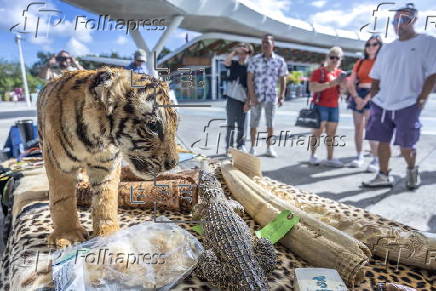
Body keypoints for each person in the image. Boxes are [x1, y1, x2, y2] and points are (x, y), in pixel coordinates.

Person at [362, 3, 436, 189]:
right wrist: (374, 96)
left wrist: (421, 99)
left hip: (409, 104)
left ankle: (411, 169)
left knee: (406, 146)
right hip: (381, 104)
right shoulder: (387, 48)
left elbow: (432, 74)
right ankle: (383, 175)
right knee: (382, 142)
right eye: (395, 20)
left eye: (404, 19)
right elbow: (376, 76)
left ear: (414, 20)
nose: (398, 24)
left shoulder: (428, 42)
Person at [247, 34, 288, 157]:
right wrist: (252, 96)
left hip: (271, 97)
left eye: (267, 43)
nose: (265, 45)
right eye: (263, 42)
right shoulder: (254, 59)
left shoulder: (279, 61)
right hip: (257, 96)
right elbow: (249, 79)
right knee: (254, 123)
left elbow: (283, 79)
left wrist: (281, 95)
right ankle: (253, 148)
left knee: (270, 123)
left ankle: (269, 148)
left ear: (272, 45)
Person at [347, 35, 383, 172]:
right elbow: (351, 82)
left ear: (380, 46)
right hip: (358, 93)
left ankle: (376, 160)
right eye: (368, 44)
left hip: (374, 95)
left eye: (374, 44)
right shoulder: (360, 62)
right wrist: (356, 98)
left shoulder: (381, 62)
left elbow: (381, 83)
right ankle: (359, 156)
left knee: (371, 128)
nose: (371, 47)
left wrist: (366, 99)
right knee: (358, 128)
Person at [308, 47, 348, 167]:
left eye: (337, 58)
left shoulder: (340, 74)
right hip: (320, 105)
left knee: (332, 133)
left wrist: (343, 85)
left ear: (340, 60)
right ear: (327, 58)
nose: (334, 60)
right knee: (317, 132)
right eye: (332, 57)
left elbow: (343, 91)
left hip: (334, 106)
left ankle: (330, 158)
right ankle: (312, 156)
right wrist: (331, 84)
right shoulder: (319, 72)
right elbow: (312, 87)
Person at [223, 43, 253, 154]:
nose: (242, 55)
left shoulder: (250, 67)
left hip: (244, 100)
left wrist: (248, 101)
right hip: (231, 98)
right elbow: (226, 62)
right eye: (240, 53)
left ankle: (241, 145)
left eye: (245, 52)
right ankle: (229, 147)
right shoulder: (234, 64)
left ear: (249, 54)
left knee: (242, 125)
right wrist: (234, 52)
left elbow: (251, 85)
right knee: (230, 124)